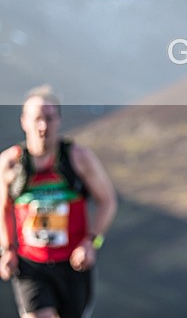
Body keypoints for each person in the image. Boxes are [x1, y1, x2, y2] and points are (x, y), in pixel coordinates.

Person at [0, 86, 117, 318]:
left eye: (50, 119)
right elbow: (2, 208)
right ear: (24, 122)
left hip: (73, 264)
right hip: (31, 265)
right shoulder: (10, 163)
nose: (43, 126)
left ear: (59, 120)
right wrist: (7, 249)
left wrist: (91, 242)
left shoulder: (78, 158)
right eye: (37, 119)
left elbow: (108, 201)